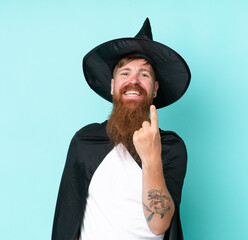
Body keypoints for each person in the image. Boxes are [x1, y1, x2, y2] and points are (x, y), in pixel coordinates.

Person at [52, 18, 191, 240]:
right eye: (125, 73)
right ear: (112, 85)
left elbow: (159, 225)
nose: (133, 81)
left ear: (155, 89)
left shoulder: (170, 147)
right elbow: (69, 221)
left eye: (144, 75)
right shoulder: (85, 141)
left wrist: (152, 158)